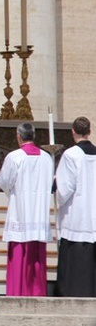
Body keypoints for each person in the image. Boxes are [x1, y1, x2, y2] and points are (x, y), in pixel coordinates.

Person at [0, 122, 53, 296]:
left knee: (19, 254)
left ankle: (17, 292)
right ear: (33, 136)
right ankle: (36, 292)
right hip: (39, 213)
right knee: (36, 257)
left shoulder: (14, 157)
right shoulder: (46, 158)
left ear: (19, 136)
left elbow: (5, 181)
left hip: (21, 211)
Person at [55, 117, 96, 297]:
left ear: (73, 131)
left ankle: (71, 292)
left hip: (76, 213)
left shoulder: (71, 155)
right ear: (89, 131)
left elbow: (65, 189)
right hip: (93, 212)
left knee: (74, 258)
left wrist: (56, 187)